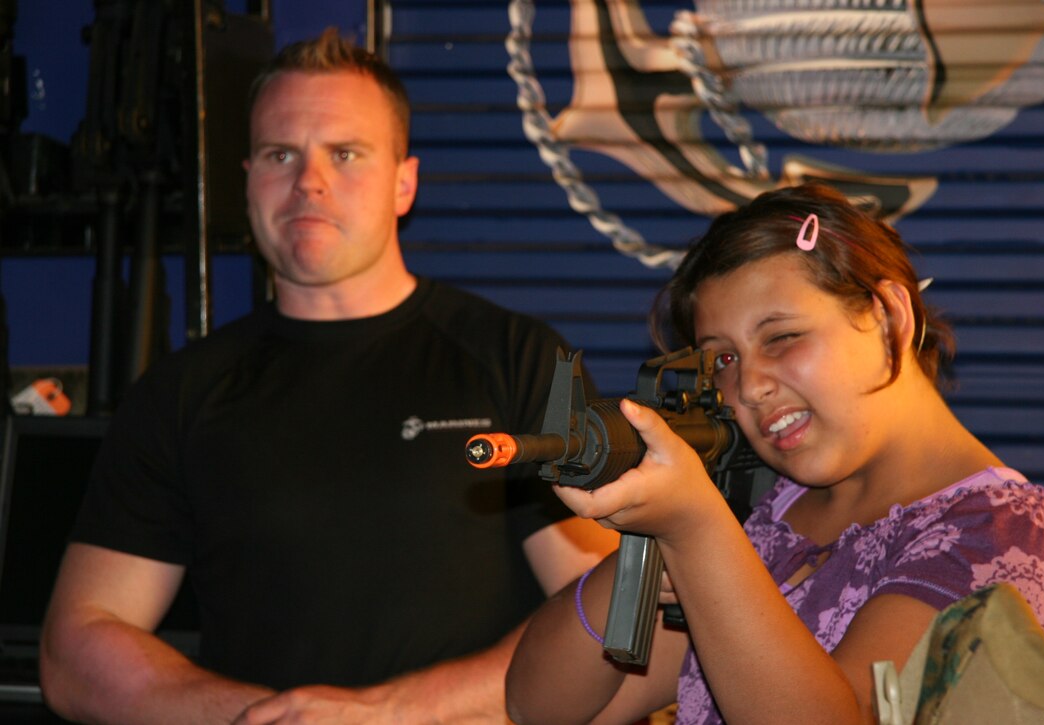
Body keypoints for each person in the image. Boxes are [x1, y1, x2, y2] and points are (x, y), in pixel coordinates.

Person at [39, 28, 616, 723]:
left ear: (405, 182)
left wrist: (388, 714)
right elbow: (75, 649)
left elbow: (603, 617)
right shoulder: (181, 392)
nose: (309, 180)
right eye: (281, 154)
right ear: (247, 176)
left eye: (346, 154)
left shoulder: (515, 360)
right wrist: (274, 717)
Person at [505, 183, 1044, 724]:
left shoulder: (1008, 535)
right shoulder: (773, 515)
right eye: (724, 359)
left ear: (890, 316)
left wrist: (697, 528)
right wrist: (649, 534)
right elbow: (544, 706)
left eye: (782, 337)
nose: (751, 386)